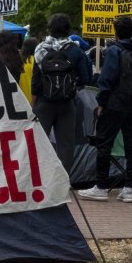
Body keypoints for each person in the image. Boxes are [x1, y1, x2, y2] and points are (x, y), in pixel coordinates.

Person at [79, 16, 132, 203]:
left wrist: (102, 102)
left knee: (104, 144)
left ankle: (101, 187)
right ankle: (128, 188)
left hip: (114, 104)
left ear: (116, 32)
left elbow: (107, 79)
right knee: (131, 145)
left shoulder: (114, 51)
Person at [28, 13, 93, 171]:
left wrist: (36, 98)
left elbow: (35, 81)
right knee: (66, 145)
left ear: (49, 29)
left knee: (39, 142)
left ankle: (41, 177)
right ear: (68, 30)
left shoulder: (40, 49)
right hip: (67, 103)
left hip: (44, 103)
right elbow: (86, 78)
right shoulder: (76, 51)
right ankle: (64, 181)